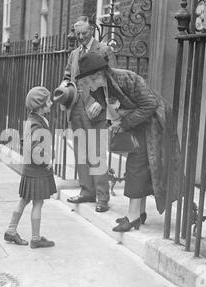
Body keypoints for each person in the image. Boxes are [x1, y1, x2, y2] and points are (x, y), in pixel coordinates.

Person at [75, 52, 181, 232]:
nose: (85, 85)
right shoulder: (100, 88)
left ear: (97, 76)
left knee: (136, 167)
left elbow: (150, 104)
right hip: (139, 124)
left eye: (86, 80)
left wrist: (124, 124)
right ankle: (139, 214)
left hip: (155, 123)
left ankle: (132, 218)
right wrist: (112, 120)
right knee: (143, 167)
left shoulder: (127, 78)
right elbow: (115, 108)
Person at [62, 16, 117, 213]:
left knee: (96, 155)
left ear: (92, 30)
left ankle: (102, 197)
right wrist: (64, 85)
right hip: (76, 107)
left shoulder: (104, 50)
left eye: (84, 33)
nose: (81, 37)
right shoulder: (74, 53)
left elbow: (113, 81)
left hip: (96, 110)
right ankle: (87, 191)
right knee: (81, 152)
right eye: (78, 34)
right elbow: (68, 75)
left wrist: (103, 104)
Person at [4, 87, 57, 249]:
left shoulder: (32, 119)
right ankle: (35, 238)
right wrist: (46, 160)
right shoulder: (37, 124)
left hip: (30, 170)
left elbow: (23, 142)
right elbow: (35, 149)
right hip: (37, 172)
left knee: (24, 200)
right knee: (38, 203)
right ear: (41, 105)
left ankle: (11, 231)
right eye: (48, 101)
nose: (51, 102)